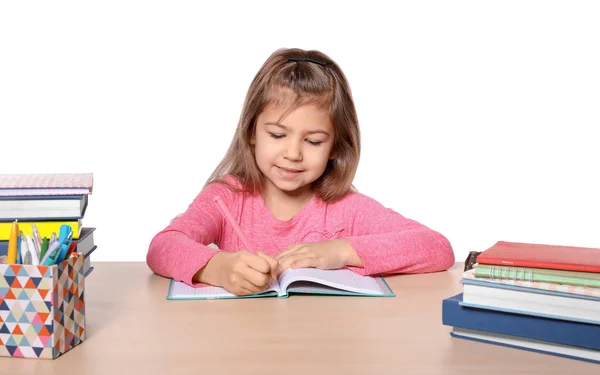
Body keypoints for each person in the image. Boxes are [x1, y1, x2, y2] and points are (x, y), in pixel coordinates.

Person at [147, 48, 455, 296]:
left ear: (336, 145)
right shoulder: (226, 198)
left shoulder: (345, 208)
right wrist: (218, 268)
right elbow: (162, 247)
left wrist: (342, 251)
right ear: (252, 132)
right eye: (277, 135)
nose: (293, 154)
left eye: (313, 141)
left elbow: (436, 247)